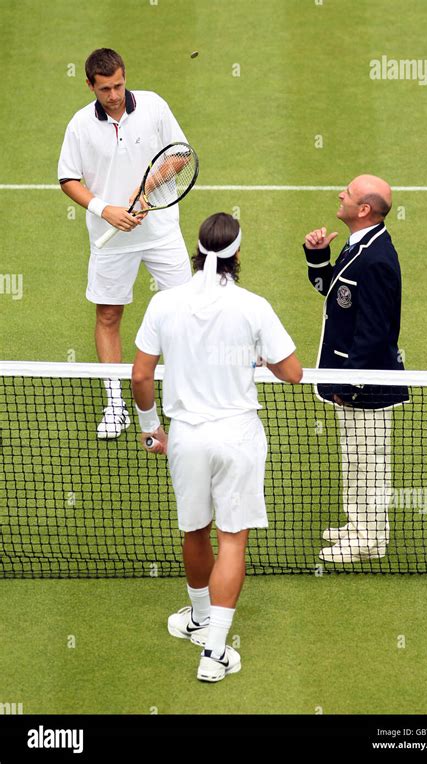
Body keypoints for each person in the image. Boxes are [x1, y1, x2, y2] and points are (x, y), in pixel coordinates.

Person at [132, 212, 302, 682]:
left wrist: (151, 428)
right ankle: (214, 651)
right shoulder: (253, 306)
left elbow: (141, 374)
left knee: (194, 531)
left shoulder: (164, 304)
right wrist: (255, 354)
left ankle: (200, 617)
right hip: (238, 437)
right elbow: (293, 372)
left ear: (198, 250)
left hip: (185, 437)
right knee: (232, 540)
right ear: (237, 255)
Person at [58, 48, 192, 439]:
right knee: (108, 316)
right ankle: (116, 404)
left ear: (124, 76)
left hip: (161, 230)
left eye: (118, 85)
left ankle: (183, 396)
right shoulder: (80, 125)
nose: (114, 95)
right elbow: (69, 179)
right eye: (104, 89)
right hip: (110, 238)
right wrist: (106, 209)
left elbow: (180, 155)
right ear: (90, 86)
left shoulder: (153, 106)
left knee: (185, 310)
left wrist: (147, 188)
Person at [303, 174, 408, 564]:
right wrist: (317, 258)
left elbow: (376, 331)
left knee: (370, 459)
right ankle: (359, 524)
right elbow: (336, 294)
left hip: (367, 385)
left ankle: (370, 538)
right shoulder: (360, 245)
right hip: (352, 381)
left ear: (363, 209)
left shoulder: (377, 259)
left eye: (346, 192)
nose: (339, 194)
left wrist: (351, 383)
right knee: (355, 455)